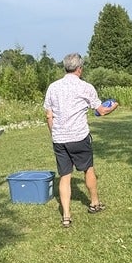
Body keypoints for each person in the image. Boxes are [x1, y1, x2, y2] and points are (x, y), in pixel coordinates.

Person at [44, 53, 119, 228]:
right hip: (79, 137)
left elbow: (49, 115)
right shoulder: (85, 87)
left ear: (65, 68)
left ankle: (66, 216)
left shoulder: (53, 87)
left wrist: (54, 134)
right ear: (79, 68)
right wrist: (113, 107)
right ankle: (94, 203)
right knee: (88, 170)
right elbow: (100, 111)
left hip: (59, 139)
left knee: (64, 176)